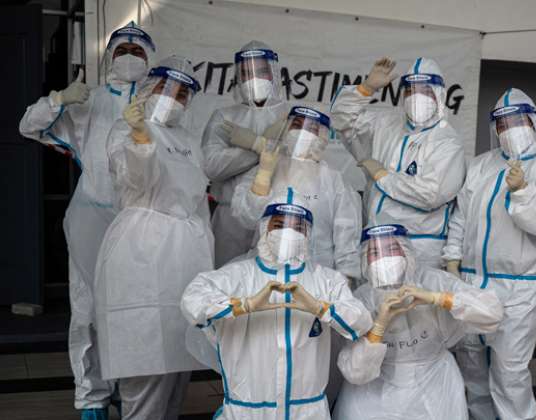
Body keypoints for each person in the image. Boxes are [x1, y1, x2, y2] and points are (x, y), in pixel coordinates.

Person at [18, 21, 155, 419]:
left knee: (133, 308)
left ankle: (127, 385)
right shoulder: (88, 100)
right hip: (91, 218)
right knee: (88, 310)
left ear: (151, 59)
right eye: (122, 50)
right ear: (108, 56)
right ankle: (91, 395)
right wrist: (59, 98)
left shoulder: (158, 105)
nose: (129, 58)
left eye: (138, 52)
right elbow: (29, 126)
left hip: (139, 223)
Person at [443, 88, 536, 420]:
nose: (509, 129)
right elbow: (461, 215)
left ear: (533, 121)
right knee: (472, 364)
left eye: (516, 120)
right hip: (473, 282)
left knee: (510, 372)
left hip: (520, 287)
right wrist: (452, 259)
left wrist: (522, 192)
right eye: (501, 123)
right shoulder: (482, 165)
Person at [94, 55, 213, 420]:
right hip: (142, 251)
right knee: (145, 364)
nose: (174, 98)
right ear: (149, 89)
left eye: (183, 93)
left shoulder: (189, 140)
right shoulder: (125, 129)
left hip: (187, 255)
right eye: (166, 88)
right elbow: (135, 181)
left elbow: (197, 203)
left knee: (180, 364)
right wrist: (141, 139)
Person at [181, 193, 372, 419]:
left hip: (306, 412)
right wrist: (244, 306)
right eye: (280, 225)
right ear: (265, 229)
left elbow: (360, 322)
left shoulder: (326, 281)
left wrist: (320, 308)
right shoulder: (238, 275)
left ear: (308, 234)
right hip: (247, 412)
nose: (288, 233)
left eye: (297, 227)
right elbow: (192, 299)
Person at [332, 223, 503, 420]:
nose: (385, 258)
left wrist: (437, 298)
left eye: (392, 249)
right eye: (375, 252)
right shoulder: (361, 299)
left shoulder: (433, 281)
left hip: (435, 386)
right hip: (375, 392)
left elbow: (492, 312)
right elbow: (356, 373)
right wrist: (378, 326)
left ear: (406, 252)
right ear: (364, 260)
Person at [330, 57, 465, 268]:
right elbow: (342, 120)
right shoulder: (386, 124)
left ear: (439, 96)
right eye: (410, 91)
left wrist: (383, 176)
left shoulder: (446, 141)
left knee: (417, 300)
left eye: (425, 91)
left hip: (422, 250)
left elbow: (431, 194)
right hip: (376, 242)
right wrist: (366, 88)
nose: (417, 97)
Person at [231, 106, 361, 279]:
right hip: (264, 271)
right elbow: (246, 218)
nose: (302, 132)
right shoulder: (267, 166)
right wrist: (263, 175)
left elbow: (347, 234)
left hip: (316, 274)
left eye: (311, 129)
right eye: (297, 125)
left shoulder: (335, 181)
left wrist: (346, 276)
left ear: (322, 137)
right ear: (287, 129)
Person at [202, 41, 288, 267]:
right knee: (225, 282)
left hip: (278, 216)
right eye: (247, 73)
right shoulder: (224, 116)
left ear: (274, 73)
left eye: (261, 71)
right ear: (238, 77)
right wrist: (260, 147)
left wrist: (254, 143)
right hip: (230, 217)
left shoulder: (290, 115)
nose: (255, 78)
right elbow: (212, 167)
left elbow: (300, 163)